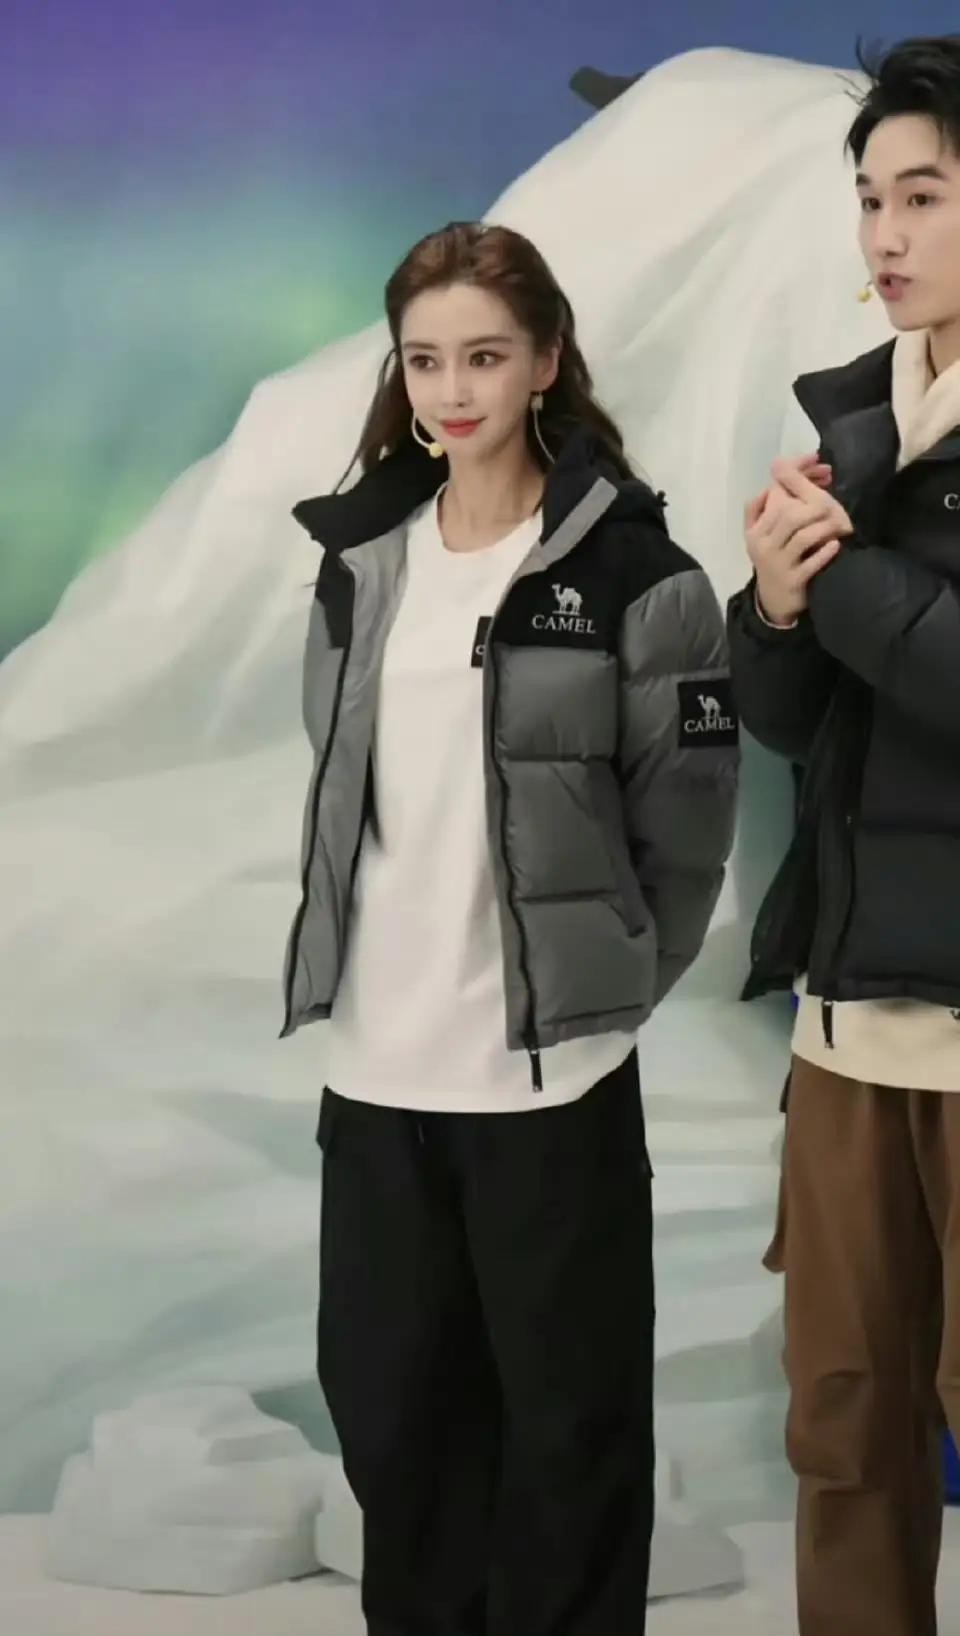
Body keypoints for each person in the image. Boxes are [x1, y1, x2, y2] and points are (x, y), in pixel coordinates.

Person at [280, 220, 737, 1636]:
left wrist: (605, 992)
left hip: (550, 1086)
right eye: (424, 360)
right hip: (379, 1077)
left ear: (545, 362)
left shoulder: (637, 574)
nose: (452, 388)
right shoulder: (362, 564)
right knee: (399, 1434)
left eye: (484, 355)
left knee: (568, 1444)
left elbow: (688, 835)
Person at [728, 35, 960, 1636]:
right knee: (846, 1424)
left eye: (924, 196)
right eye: (871, 198)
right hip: (847, 1030)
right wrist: (773, 600)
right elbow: (790, 723)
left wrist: (846, 573)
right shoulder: (855, 423)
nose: (885, 234)